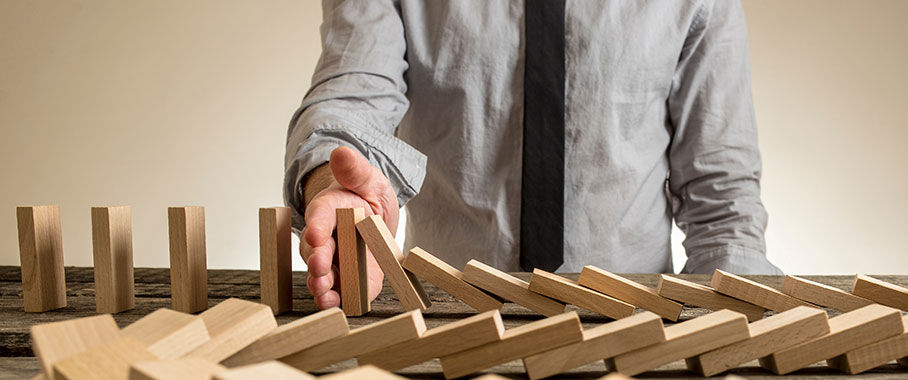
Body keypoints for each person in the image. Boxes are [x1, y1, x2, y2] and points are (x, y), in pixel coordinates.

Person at [286, 0, 781, 310]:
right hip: (446, 318)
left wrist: (732, 335)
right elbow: (352, 95)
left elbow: (723, 199)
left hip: (634, 327)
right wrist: (334, 183)